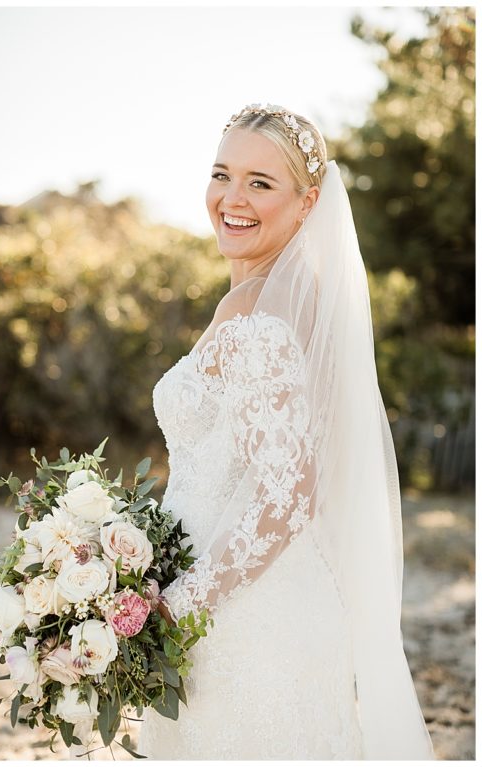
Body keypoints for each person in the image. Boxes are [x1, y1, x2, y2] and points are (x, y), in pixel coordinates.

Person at [139, 105, 434, 759]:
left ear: (308, 204)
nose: (232, 198)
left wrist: (179, 603)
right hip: (243, 602)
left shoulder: (262, 316)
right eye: (222, 174)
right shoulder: (279, 299)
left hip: (241, 625)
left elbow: (287, 495)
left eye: (260, 183)